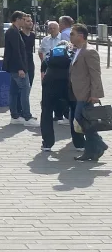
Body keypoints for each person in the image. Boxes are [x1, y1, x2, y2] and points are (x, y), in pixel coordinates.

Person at [69, 24, 107, 161]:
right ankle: (91, 151)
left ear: (80, 36)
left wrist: (95, 94)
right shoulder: (77, 50)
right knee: (85, 122)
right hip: (78, 92)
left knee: (81, 119)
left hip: (87, 94)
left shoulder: (89, 51)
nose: (70, 36)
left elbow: (95, 74)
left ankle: (99, 144)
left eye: (72, 34)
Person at [40, 40, 83, 152]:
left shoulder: (49, 55)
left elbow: (43, 74)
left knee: (46, 112)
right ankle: (79, 143)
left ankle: (47, 144)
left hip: (50, 84)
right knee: (74, 112)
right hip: (67, 84)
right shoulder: (71, 55)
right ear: (68, 47)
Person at [3, 11, 38, 127]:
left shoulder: (14, 31)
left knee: (14, 91)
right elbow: (16, 52)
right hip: (17, 67)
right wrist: (20, 68)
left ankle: (15, 116)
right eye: (23, 19)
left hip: (14, 67)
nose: (25, 21)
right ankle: (27, 117)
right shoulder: (13, 32)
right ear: (18, 19)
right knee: (24, 89)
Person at [39, 21, 67, 124]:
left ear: (58, 28)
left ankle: (64, 114)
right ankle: (56, 115)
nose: (51, 30)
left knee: (61, 93)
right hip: (48, 69)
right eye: (50, 28)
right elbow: (41, 51)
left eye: (53, 28)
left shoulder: (63, 39)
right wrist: (43, 63)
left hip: (61, 70)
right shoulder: (45, 40)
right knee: (50, 92)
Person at [20, 14, 36, 87]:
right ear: (22, 23)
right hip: (22, 63)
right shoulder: (19, 35)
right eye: (28, 21)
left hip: (30, 63)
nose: (31, 23)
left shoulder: (32, 35)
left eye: (31, 21)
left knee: (30, 85)